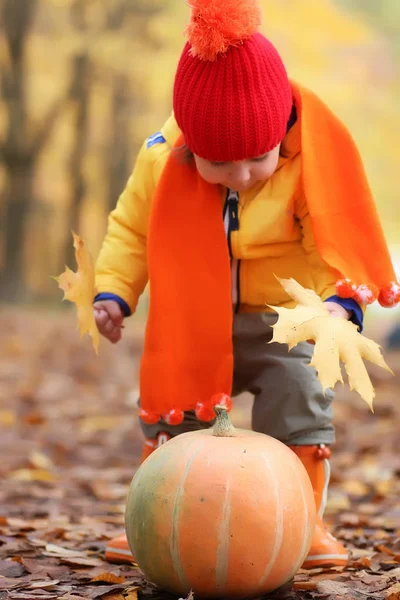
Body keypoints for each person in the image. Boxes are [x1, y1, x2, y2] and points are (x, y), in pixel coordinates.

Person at [93, 0, 399, 569]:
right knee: (180, 417)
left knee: (299, 398)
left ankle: (299, 522)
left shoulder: (310, 161)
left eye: (257, 160)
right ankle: (161, 520)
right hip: (194, 314)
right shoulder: (163, 161)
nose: (240, 176)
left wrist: (337, 304)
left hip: (287, 315)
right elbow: (132, 230)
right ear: (189, 144)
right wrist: (114, 290)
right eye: (219, 164)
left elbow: (336, 235)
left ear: (278, 134)